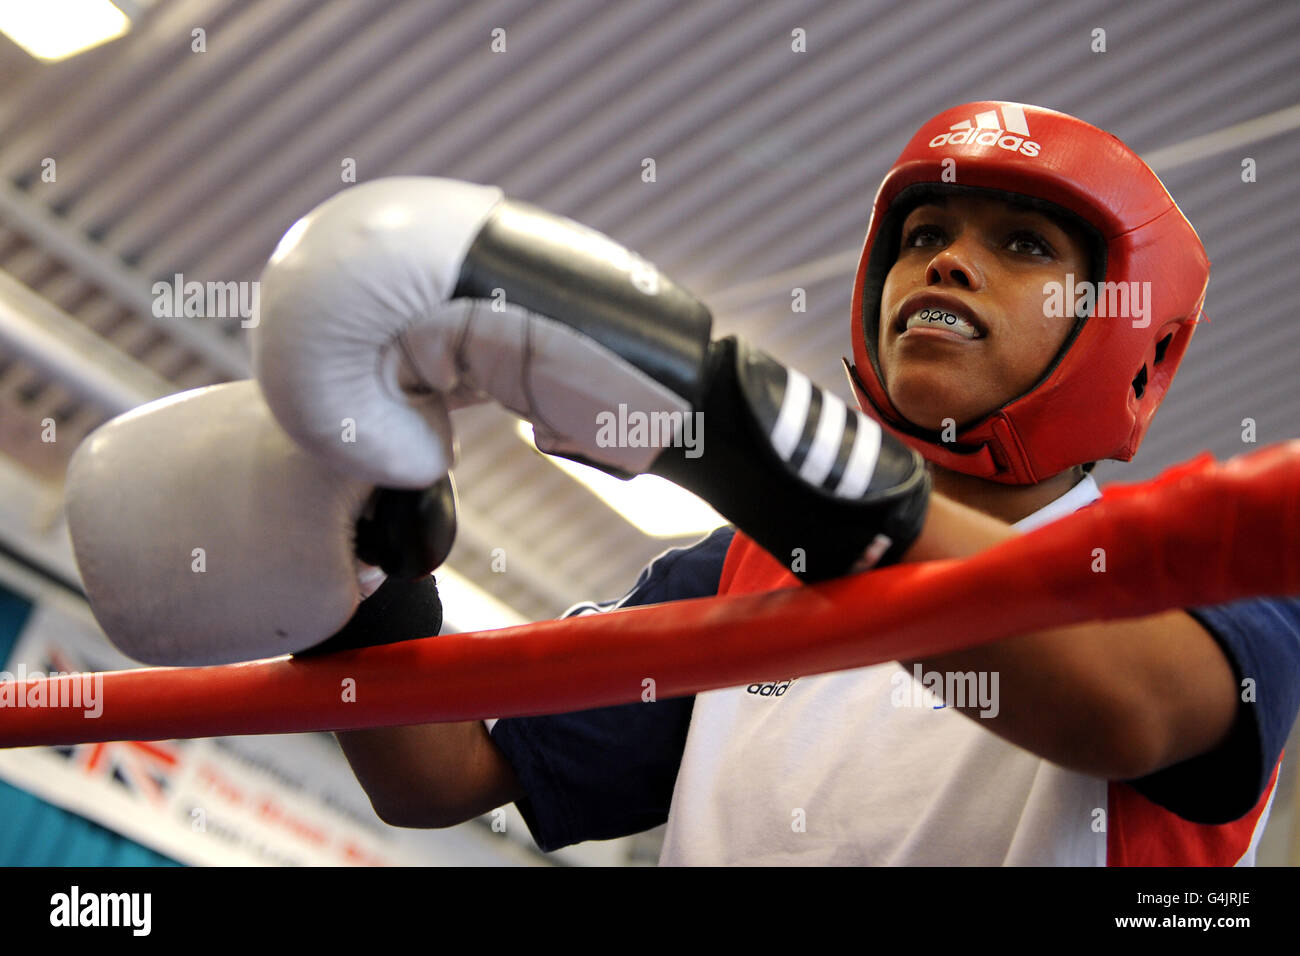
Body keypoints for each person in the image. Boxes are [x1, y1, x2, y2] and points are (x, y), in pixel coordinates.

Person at [64, 102, 1300, 865]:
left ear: (1130, 331)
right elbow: (437, 779)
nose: (950, 264)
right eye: (925, 237)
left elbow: (1126, 713)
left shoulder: (1214, 552)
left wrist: (730, 434)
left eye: (1019, 245)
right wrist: (364, 587)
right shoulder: (729, 573)